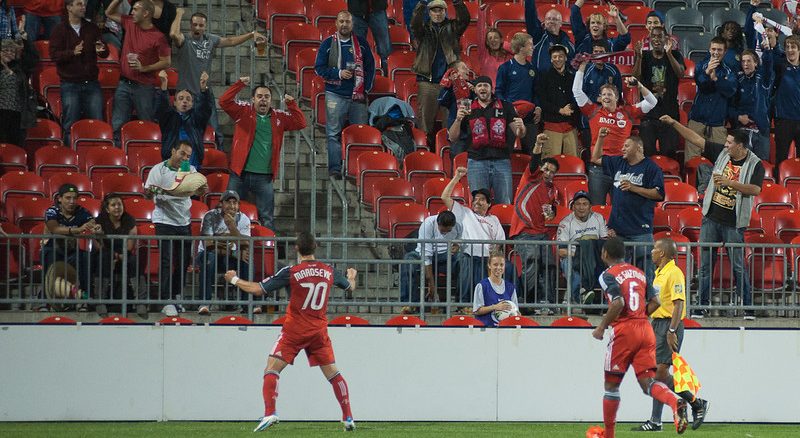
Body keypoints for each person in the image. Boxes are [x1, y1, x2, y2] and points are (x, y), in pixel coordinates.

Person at [223, 232, 358, 432]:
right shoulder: (328, 271)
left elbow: (258, 289)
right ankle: (348, 417)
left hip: (295, 330)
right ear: (315, 248)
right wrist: (351, 277)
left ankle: (270, 412)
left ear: (296, 248)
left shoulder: (291, 271)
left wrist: (234, 279)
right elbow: (350, 288)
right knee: (333, 373)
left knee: (271, 368)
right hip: (318, 331)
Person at [660, 116, 763, 320]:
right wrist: (674, 123)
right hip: (711, 218)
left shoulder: (755, 164)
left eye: (729, 142)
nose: (725, 145)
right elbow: (697, 140)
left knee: (739, 267)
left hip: (734, 224)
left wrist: (729, 182)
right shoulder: (723, 153)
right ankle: (702, 306)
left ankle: (748, 308)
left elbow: (755, 189)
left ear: (740, 146)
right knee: (706, 265)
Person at [592, 237, 689, 438]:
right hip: (645, 329)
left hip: (625, 331)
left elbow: (617, 302)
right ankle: (674, 402)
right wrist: (640, 317)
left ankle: (608, 435)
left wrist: (601, 327)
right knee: (648, 382)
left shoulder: (607, 275)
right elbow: (656, 301)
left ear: (605, 254)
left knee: (611, 385)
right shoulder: (640, 273)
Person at [633, 238, 710, 432]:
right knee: (658, 374)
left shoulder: (674, 273)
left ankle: (657, 420)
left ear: (663, 253)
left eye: (655, 249)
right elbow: (658, 302)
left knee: (659, 373)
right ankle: (695, 403)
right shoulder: (659, 273)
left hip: (669, 325)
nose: (651, 252)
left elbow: (679, 304)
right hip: (657, 324)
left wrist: (672, 331)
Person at [169, 8, 265, 149]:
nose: (198, 27)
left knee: (215, 130)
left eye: (201, 25)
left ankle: (219, 157)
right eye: (195, 24)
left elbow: (231, 41)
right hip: (185, 95)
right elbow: (173, 33)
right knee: (183, 129)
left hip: (204, 93)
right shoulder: (185, 39)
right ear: (190, 25)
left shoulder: (210, 40)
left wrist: (251, 34)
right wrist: (179, 14)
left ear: (205, 26)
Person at [219, 77, 307, 231]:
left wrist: (292, 105)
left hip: (264, 177)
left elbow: (301, 123)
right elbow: (224, 102)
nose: (263, 100)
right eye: (259, 96)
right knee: (228, 212)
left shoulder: (279, 117)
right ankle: (227, 249)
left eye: (267, 97)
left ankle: (268, 251)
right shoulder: (243, 111)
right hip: (239, 174)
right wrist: (239, 85)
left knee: (266, 217)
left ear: (271, 100)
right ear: (253, 99)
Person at [575, 63, 657, 206]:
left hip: (621, 169)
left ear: (617, 97)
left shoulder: (628, 112)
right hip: (598, 170)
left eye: (609, 94)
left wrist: (639, 85)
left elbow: (652, 101)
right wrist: (582, 68)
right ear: (600, 98)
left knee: (620, 208)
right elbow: (576, 91)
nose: (606, 97)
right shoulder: (593, 111)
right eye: (603, 95)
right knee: (596, 209)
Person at [144, 140, 208, 317]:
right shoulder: (158, 170)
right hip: (164, 221)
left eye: (188, 155)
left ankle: (176, 295)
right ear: (173, 151)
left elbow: (197, 191)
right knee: (166, 261)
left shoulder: (191, 170)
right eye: (182, 153)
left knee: (184, 261)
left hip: (183, 221)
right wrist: (151, 192)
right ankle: (166, 300)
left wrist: (202, 190)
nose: (185, 158)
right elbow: (148, 193)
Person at [591, 131, 664, 284]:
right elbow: (596, 158)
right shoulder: (619, 162)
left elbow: (658, 194)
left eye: (626, 145)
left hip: (641, 231)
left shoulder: (651, 168)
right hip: (618, 231)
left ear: (638, 148)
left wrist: (634, 187)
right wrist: (601, 138)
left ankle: (645, 305)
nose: (622, 148)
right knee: (617, 273)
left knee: (646, 274)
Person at [314, 11, 376, 179]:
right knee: (333, 133)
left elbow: (371, 67)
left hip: (358, 96)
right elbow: (319, 68)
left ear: (352, 24)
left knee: (360, 134)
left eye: (347, 22)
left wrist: (365, 88)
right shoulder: (327, 44)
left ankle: (357, 170)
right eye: (341, 21)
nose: (344, 25)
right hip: (335, 94)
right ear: (336, 23)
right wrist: (339, 73)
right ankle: (335, 168)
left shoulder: (362, 43)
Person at [448, 75, 525, 205]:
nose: (483, 88)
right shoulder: (467, 108)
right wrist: (458, 119)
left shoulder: (505, 106)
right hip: (476, 162)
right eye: (479, 86)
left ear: (491, 88)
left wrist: (521, 128)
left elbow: (519, 134)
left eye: (486, 85)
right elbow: (452, 137)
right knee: (478, 204)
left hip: (502, 161)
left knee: (504, 203)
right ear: (475, 90)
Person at [105, 0, 171, 144]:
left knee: (147, 124)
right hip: (123, 83)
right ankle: (119, 157)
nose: (132, 12)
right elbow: (108, 13)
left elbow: (166, 61)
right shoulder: (130, 23)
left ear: (146, 13)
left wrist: (144, 68)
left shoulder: (158, 37)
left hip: (144, 87)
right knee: (117, 125)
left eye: (135, 9)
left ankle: (147, 155)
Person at [509, 134, 559, 313]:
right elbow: (534, 160)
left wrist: (552, 213)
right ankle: (528, 304)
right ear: (541, 168)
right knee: (532, 263)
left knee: (549, 265)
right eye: (546, 169)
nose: (548, 173)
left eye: (552, 172)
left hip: (542, 232)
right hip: (524, 231)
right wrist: (538, 143)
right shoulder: (530, 177)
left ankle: (550, 304)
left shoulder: (553, 190)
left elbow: (552, 212)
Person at [48, 0, 108, 147]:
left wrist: (102, 50)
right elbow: (54, 55)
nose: (83, 7)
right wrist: (72, 52)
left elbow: (104, 52)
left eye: (84, 5)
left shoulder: (92, 28)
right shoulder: (59, 30)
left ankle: (99, 154)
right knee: (70, 125)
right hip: (69, 84)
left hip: (91, 83)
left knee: (97, 123)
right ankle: (70, 157)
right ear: (69, 7)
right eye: (79, 4)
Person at [443, 167, 507, 305]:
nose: (477, 201)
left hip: (487, 258)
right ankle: (463, 304)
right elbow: (445, 197)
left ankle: (506, 302)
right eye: (475, 199)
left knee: (509, 267)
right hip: (468, 255)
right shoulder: (464, 212)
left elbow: (499, 242)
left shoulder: (494, 219)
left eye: (482, 199)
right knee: (466, 261)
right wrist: (456, 178)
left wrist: (494, 255)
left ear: (489, 204)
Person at [410, 0, 469, 139]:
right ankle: (424, 150)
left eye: (440, 10)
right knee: (425, 121)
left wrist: (457, 3)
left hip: (450, 82)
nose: (437, 13)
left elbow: (465, 19)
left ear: (445, 11)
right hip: (427, 81)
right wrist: (422, 5)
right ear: (429, 13)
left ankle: (448, 151)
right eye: (434, 11)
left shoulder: (453, 27)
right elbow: (414, 24)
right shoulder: (423, 30)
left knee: (451, 120)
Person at [42, 183, 101, 310]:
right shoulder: (52, 211)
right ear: (60, 198)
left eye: (74, 198)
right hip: (54, 249)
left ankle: (86, 299)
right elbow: (54, 228)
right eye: (68, 198)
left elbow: (91, 221)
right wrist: (78, 229)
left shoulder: (82, 211)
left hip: (72, 251)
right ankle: (44, 300)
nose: (72, 201)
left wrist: (94, 226)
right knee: (49, 256)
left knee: (86, 258)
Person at [633, 26, 685, 160]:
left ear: (666, 39)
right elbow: (635, 79)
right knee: (647, 154)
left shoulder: (676, 55)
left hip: (669, 115)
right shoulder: (644, 56)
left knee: (669, 154)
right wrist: (638, 58)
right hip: (648, 116)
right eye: (653, 36)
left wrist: (669, 54)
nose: (656, 39)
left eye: (659, 36)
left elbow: (681, 74)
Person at [195, 190, 251, 316]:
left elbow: (245, 244)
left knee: (246, 259)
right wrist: (231, 245)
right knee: (209, 258)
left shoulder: (243, 219)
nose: (232, 206)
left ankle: (247, 303)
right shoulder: (210, 216)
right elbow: (207, 244)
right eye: (228, 202)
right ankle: (204, 303)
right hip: (208, 255)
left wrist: (231, 227)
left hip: (228, 257)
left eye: (235, 202)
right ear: (221, 204)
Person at [94, 192, 148, 319]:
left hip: (125, 252)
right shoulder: (100, 220)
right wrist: (100, 236)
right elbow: (98, 245)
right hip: (105, 252)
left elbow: (130, 246)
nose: (117, 207)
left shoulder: (129, 219)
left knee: (134, 261)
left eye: (119, 204)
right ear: (107, 209)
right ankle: (100, 301)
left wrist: (119, 256)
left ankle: (140, 302)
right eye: (113, 205)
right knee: (103, 259)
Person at [684, 37, 737, 164]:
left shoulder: (729, 71)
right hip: (697, 121)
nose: (716, 52)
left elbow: (731, 90)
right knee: (692, 160)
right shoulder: (701, 66)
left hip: (717, 123)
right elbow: (701, 84)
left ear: (725, 52)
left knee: (720, 161)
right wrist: (707, 73)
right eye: (713, 49)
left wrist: (716, 79)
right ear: (709, 49)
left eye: (719, 50)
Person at [399, 210, 462, 313]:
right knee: (408, 261)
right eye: (442, 231)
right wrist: (431, 285)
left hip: (446, 255)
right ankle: (409, 304)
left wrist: (458, 245)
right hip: (421, 254)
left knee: (463, 260)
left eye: (448, 231)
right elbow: (426, 256)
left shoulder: (458, 225)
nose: (445, 233)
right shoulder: (428, 224)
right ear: (438, 223)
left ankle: (463, 304)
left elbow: (461, 239)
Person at [556, 190, 607, 305]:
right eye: (578, 204)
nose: (581, 207)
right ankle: (576, 299)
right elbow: (561, 251)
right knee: (569, 264)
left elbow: (605, 243)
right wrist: (582, 255)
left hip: (596, 258)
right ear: (573, 206)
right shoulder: (566, 222)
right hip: (573, 257)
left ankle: (606, 303)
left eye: (585, 204)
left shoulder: (598, 218)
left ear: (590, 207)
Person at [495, 32, 542, 154]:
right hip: (510, 117)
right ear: (521, 48)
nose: (533, 47)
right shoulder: (505, 68)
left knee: (532, 152)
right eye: (530, 45)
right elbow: (499, 92)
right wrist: (508, 109)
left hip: (529, 117)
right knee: (505, 152)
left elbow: (536, 92)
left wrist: (537, 107)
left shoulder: (532, 69)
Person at [155, 69, 212, 168]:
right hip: (171, 165)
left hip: (193, 165)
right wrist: (164, 86)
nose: (184, 101)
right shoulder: (168, 118)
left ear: (192, 104)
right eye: (181, 99)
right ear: (175, 102)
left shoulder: (197, 119)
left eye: (188, 99)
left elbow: (205, 108)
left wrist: (204, 90)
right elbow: (161, 108)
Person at [729, 48, 773, 161]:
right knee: (741, 164)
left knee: (760, 165)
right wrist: (738, 117)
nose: (745, 64)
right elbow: (729, 105)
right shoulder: (738, 80)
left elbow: (768, 67)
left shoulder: (763, 79)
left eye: (749, 61)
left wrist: (767, 51)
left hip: (761, 130)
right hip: (741, 131)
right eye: (743, 61)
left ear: (756, 63)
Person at [536, 44, 579, 158]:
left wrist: (571, 108)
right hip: (551, 126)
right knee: (549, 164)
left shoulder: (572, 76)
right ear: (551, 59)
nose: (557, 59)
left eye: (560, 56)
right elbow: (542, 100)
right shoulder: (544, 77)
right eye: (554, 57)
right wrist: (560, 110)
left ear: (565, 58)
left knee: (573, 162)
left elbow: (578, 96)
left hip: (570, 126)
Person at [0, 38, 38, 147]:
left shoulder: (20, 68)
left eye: (12, 51)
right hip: (1, 112)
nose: (9, 53)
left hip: (18, 113)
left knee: (16, 145)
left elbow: (33, 58)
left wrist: (25, 41)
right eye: (5, 50)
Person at [524, 0, 575, 72]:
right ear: (544, 22)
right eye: (548, 19)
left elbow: (573, 66)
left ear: (561, 23)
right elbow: (530, 15)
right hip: (541, 81)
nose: (551, 21)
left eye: (555, 19)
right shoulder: (538, 36)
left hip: (562, 81)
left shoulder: (569, 44)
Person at [773, 35, 800, 168]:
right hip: (784, 120)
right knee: (781, 157)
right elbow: (772, 56)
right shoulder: (780, 66)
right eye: (787, 47)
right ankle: (779, 185)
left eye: (793, 47)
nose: (790, 50)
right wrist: (773, 44)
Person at [472, 251, 519, 327]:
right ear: (489, 265)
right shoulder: (482, 286)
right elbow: (477, 311)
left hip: (505, 330)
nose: (499, 268)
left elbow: (516, 311)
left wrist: (515, 313)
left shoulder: (510, 287)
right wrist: (495, 307)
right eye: (495, 265)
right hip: (486, 330)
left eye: (501, 265)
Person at [348, 0, 391, 73]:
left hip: (378, 9)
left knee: (385, 49)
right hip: (356, 12)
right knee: (354, 48)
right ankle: (352, 78)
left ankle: (387, 76)